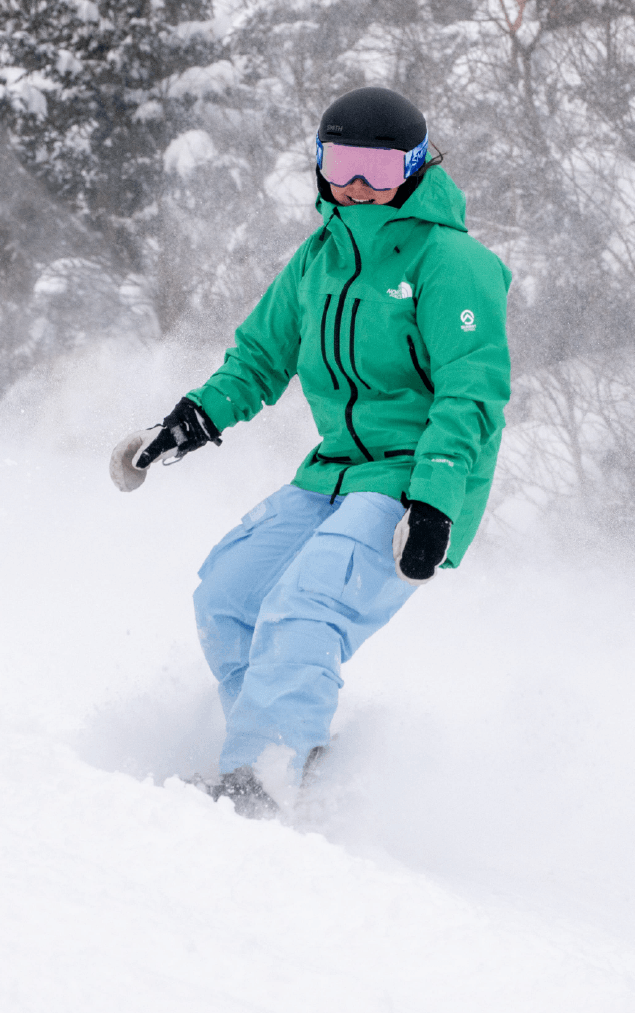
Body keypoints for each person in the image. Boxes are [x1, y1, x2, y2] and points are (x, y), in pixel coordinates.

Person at [110, 87, 511, 816]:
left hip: (412, 480)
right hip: (333, 471)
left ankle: (259, 782)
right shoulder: (318, 259)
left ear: (416, 169)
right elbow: (259, 359)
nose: (355, 185)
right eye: (340, 165)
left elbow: (471, 393)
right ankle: (290, 746)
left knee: (306, 605)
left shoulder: (452, 261)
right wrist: (186, 424)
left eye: (377, 170)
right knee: (229, 592)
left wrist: (434, 504)